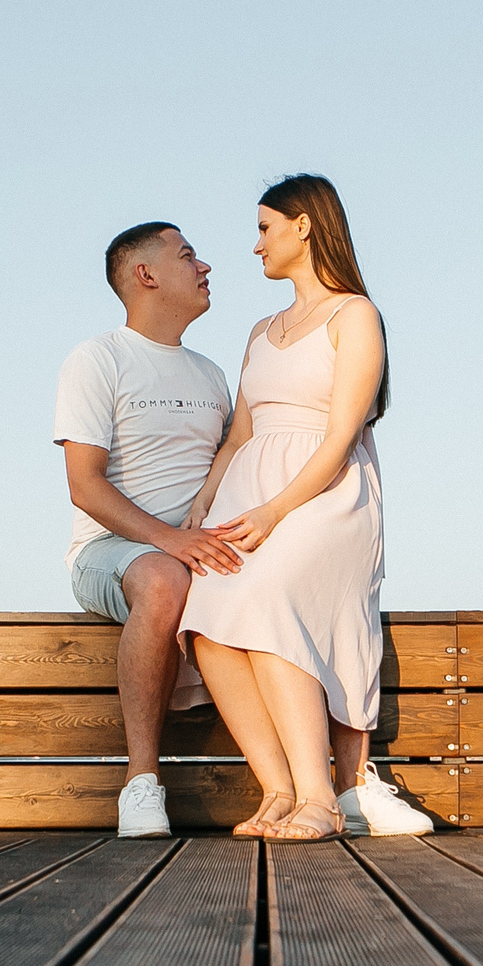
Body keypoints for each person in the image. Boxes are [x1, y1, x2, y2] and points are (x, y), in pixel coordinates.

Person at [178, 175, 435, 841]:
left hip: (322, 497)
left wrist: (274, 511)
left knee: (266, 596)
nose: (255, 244)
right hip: (247, 490)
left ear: (304, 225)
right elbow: (240, 432)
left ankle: (321, 801)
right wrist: (205, 503)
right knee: (205, 618)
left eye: (265, 228)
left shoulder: (355, 316)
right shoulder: (261, 330)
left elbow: (342, 432)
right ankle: (278, 789)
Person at [54, 222, 244, 838]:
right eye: (188, 255)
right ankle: (141, 784)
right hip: (112, 553)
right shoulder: (97, 358)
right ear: (146, 274)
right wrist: (171, 541)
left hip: (192, 548)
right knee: (164, 580)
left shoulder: (212, 374)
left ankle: (332, 784)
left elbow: (228, 471)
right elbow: (85, 485)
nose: (205, 266)